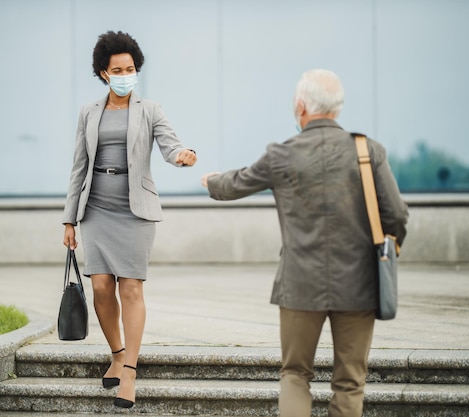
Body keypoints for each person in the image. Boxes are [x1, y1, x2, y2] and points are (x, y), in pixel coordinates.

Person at [201, 69, 408, 417]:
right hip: (359, 284)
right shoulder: (368, 150)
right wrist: (388, 249)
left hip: (299, 284)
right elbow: (398, 217)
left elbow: (237, 183)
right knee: (350, 381)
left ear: (300, 106)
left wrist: (211, 182)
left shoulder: (282, 153)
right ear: (337, 108)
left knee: (295, 374)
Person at [62, 30, 197, 409]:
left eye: (131, 68)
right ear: (104, 73)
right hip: (96, 209)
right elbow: (78, 168)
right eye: (117, 69)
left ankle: (131, 372)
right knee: (102, 287)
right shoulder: (89, 112)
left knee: (131, 289)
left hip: (135, 208)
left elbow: (170, 144)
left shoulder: (150, 109)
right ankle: (117, 353)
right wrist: (68, 221)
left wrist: (184, 154)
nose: (125, 74)